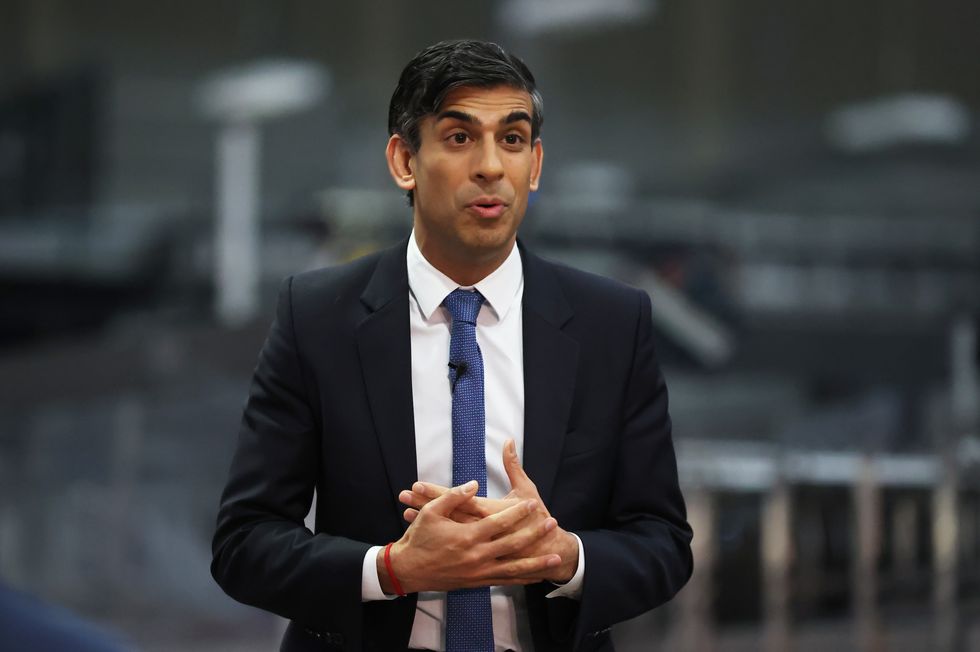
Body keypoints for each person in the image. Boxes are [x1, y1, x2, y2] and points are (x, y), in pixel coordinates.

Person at [211, 39, 693, 652]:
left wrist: (564, 555)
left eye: (512, 139)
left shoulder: (612, 323)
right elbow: (244, 544)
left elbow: (663, 545)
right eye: (460, 138)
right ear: (403, 161)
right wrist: (391, 569)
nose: (491, 166)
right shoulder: (317, 317)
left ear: (535, 165)